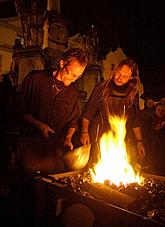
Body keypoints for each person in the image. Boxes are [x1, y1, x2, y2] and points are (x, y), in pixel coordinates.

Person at [15, 48, 88, 175]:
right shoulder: (36, 79)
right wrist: (39, 125)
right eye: (71, 73)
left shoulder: (73, 94)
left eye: (78, 76)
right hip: (29, 145)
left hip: (53, 151)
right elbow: (19, 108)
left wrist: (68, 138)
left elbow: (73, 122)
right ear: (62, 64)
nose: (74, 79)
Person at [80, 58, 145, 167]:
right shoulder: (101, 88)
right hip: (98, 138)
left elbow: (135, 120)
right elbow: (88, 113)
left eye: (125, 76)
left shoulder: (133, 94)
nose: (119, 78)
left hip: (121, 139)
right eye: (119, 73)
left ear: (131, 78)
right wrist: (84, 132)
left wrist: (139, 141)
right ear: (115, 71)